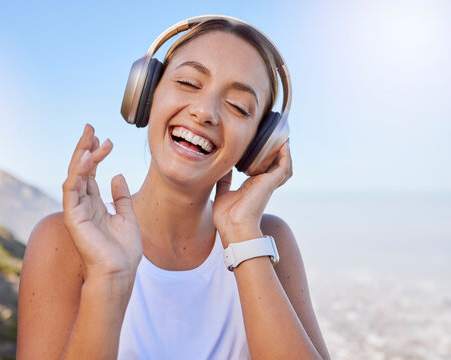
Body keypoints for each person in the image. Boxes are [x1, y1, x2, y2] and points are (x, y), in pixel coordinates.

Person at [17, 15, 331, 360]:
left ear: (258, 145)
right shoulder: (63, 240)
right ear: (147, 94)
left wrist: (242, 236)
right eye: (188, 82)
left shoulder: (267, 240)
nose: (204, 111)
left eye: (239, 107)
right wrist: (108, 280)